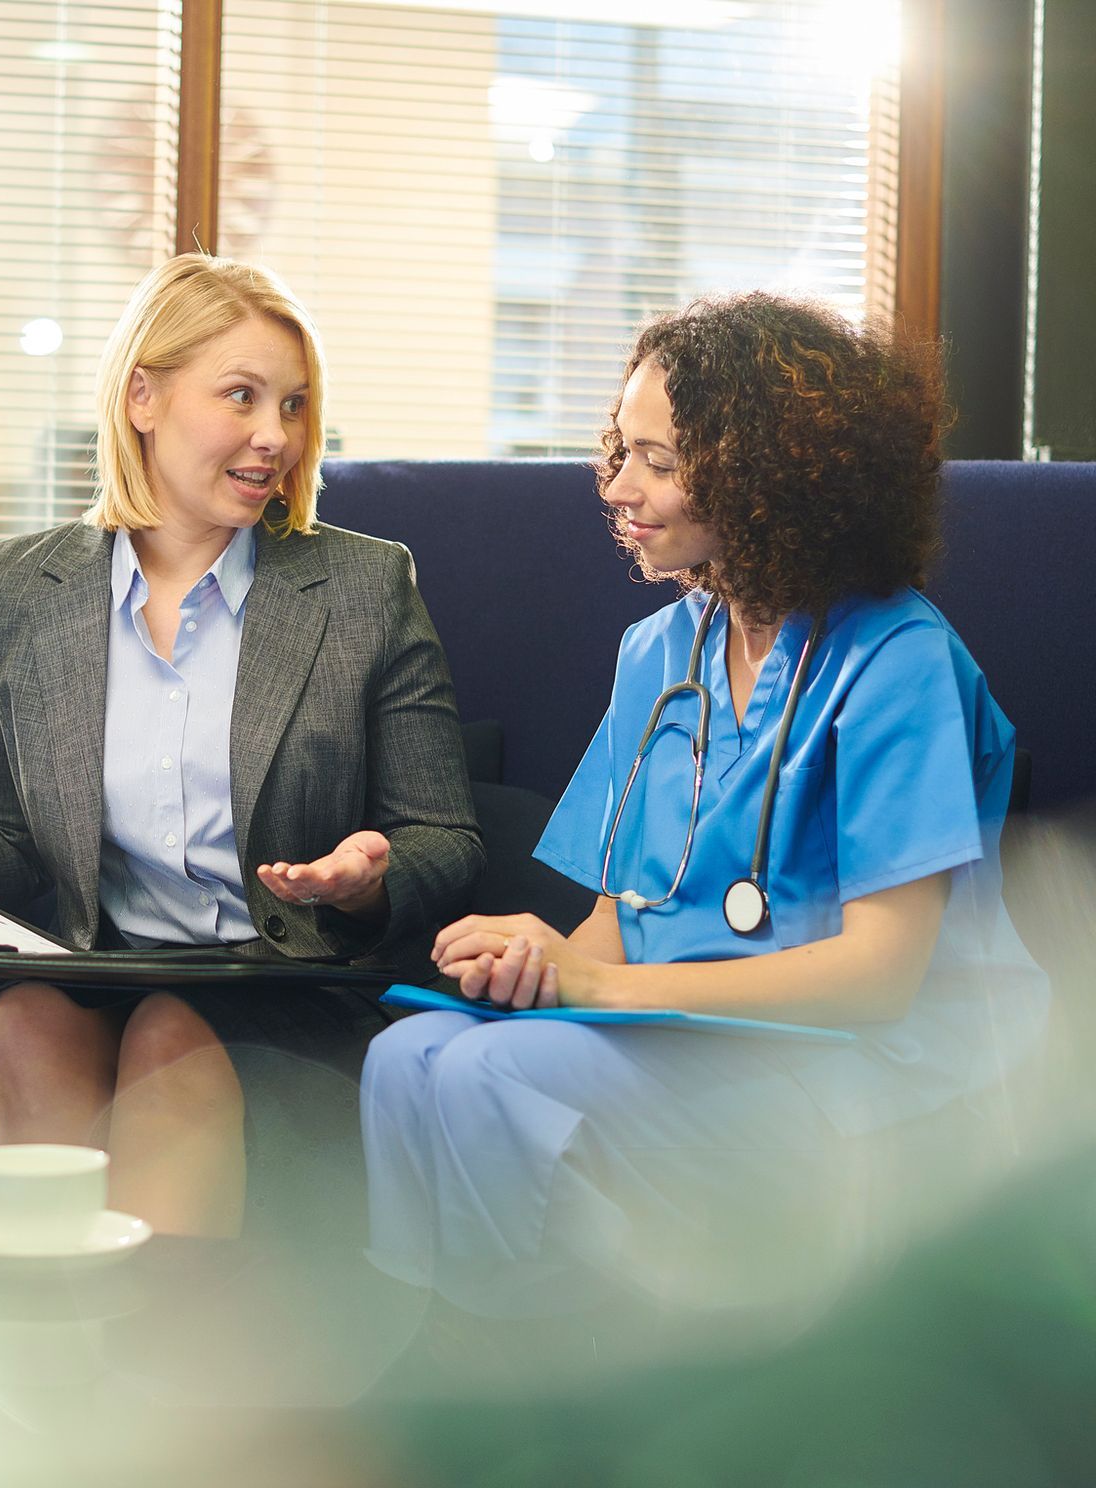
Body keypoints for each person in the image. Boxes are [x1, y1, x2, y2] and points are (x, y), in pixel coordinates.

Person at [360, 292, 1050, 1321]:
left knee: (491, 1076)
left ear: (771, 479)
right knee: (408, 1056)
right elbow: (620, 919)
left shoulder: (899, 660)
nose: (619, 487)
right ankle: (451, 1351)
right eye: (619, 449)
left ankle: (532, 1378)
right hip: (695, 1040)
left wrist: (592, 991)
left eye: (662, 462)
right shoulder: (659, 653)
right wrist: (547, 957)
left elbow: (878, 979)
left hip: (885, 1074)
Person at [0, 254, 484, 1236]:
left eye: (291, 405)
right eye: (241, 396)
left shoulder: (365, 588)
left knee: (171, 1035)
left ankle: (145, 1356)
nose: (274, 437)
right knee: (24, 1021)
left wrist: (367, 879)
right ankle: (61, 1344)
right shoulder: (18, 589)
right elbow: (7, 835)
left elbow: (444, 837)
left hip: (284, 982)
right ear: (142, 396)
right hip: (99, 965)